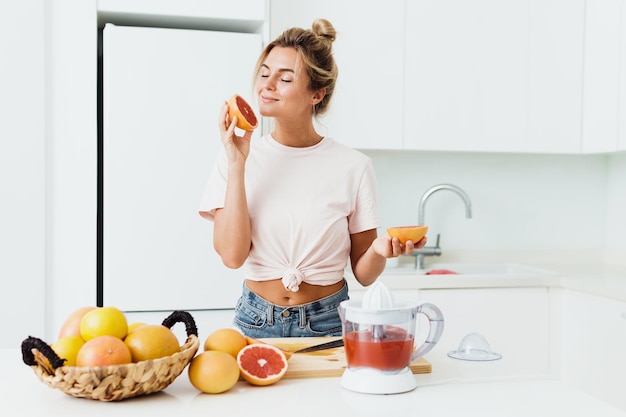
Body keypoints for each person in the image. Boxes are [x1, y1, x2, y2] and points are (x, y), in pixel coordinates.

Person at [199, 18, 426, 338]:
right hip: (255, 320)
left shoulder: (353, 166)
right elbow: (232, 256)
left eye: (285, 78)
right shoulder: (235, 157)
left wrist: (378, 251)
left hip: (329, 321)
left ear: (316, 94)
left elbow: (364, 274)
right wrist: (237, 164)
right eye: (265, 73)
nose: (267, 85)